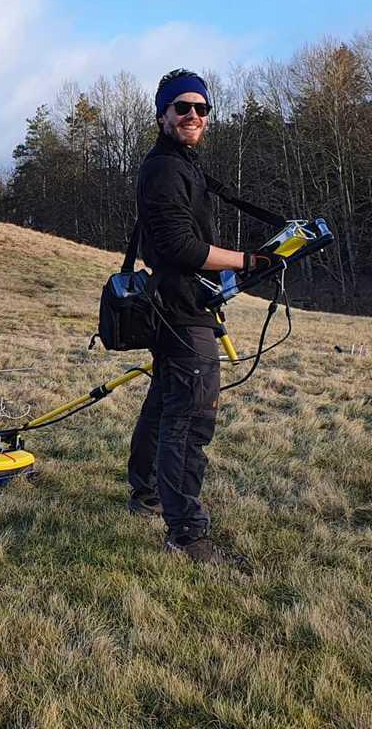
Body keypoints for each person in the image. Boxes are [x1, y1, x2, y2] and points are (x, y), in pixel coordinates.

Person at [126, 69, 275, 564]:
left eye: (201, 108)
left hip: (180, 307)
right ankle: (186, 535)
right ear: (162, 114)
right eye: (181, 108)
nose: (192, 116)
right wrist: (247, 261)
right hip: (182, 312)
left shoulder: (179, 164)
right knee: (190, 420)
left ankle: (146, 492)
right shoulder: (166, 169)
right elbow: (178, 246)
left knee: (167, 404)